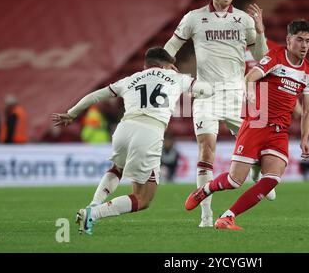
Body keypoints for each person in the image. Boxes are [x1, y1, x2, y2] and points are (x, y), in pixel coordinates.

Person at [51, 47, 212, 235]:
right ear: (168, 65)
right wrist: (194, 90)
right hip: (150, 131)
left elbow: (96, 95)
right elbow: (206, 90)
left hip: (124, 129)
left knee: (117, 168)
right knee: (143, 199)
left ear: (146, 65)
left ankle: (93, 204)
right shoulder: (176, 77)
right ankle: (93, 213)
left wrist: (72, 113)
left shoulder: (130, 80)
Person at [164, 0, 272, 227]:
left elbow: (261, 57)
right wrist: (164, 66)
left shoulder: (245, 20)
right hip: (206, 94)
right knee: (206, 149)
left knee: (255, 148)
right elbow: (171, 46)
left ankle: (258, 172)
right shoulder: (194, 18)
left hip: (237, 94)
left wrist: (260, 31)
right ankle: (206, 216)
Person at [185, 19, 309, 230]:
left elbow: (308, 110)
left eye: (308, 41)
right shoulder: (275, 57)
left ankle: (227, 217)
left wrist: (304, 138)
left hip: (280, 131)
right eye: (299, 40)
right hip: (257, 124)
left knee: (272, 179)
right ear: (288, 40)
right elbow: (250, 77)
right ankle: (205, 190)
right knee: (235, 181)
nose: (304, 45)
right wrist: (251, 92)